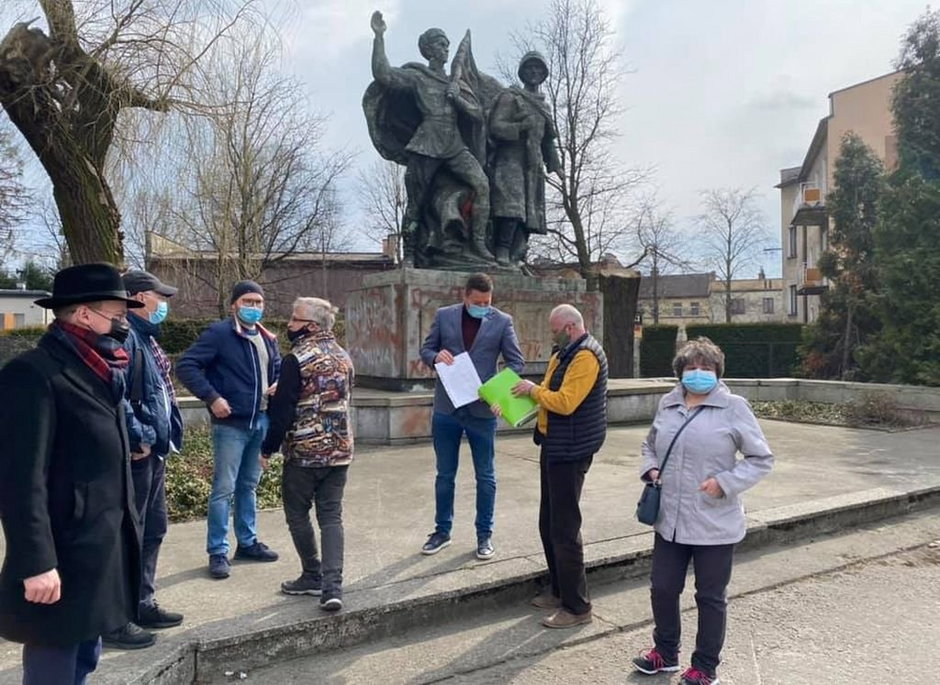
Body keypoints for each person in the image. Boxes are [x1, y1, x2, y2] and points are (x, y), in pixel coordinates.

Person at [0, 263, 145, 683]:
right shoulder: (33, 374)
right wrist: (36, 562)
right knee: (54, 667)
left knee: (84, 659)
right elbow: (19, 479)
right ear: (84, 314)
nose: (123, 325)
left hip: (98, 550)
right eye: (117, 316)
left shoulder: (103, 367)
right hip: (61, 555)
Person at [631, 337, 774, 685]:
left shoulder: (734, 407)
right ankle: (664, 652)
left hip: (714, 520)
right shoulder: (668, 403)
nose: (698, 373)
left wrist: (724, 482)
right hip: (670, 520)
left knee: (709, 597)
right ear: (680, 372)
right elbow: (649, 444)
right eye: (691, 367)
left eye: (706, 368)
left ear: (717, 372)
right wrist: (650, 469)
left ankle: (704, 666)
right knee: (662, 588)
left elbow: (761, 459)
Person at [100, 270, 186, 649]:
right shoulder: (126, 336)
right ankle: (116, 616)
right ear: (136, 298)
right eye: (158, 296)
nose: (163, 303)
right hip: (140, 453)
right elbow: (118, 396)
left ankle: (141, 601)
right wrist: (142, 438)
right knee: (129, 537)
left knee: (152, 530)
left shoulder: (146, 338)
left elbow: (159, 392)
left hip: (156, 453)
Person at [368, 10, 494, 264]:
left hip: (454, 145)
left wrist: (457, 97)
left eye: (447, 44)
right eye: (440, 43)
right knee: (417, 202)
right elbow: (383, 75)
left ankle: (478, 244)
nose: (446, 48)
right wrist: (379, 37)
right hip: (426, 144)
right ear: (427, 49)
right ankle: (411, 254)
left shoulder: (455, 82)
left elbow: (477, 114)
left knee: (481, 185)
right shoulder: (418, 76)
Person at [510, 304, 608, 629]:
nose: (550, 335)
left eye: (553, 330)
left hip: (572, 450)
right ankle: (558, 588)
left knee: (565, 529)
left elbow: (564, 401)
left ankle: (577, 607)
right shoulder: (562, 354)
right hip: (554, 445)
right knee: (548, 522)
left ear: (569, 328)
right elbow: (545, 397)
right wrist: (514, 406)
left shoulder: (586, 357)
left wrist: (533, 390)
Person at [177, 280, 281, 579]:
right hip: (231, 424)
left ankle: (247, 543)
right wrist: (212, 397)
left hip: (260, 420)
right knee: (223, 489)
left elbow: (274, 371)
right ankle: (218, 551)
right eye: (248, 301)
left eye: (259, 302)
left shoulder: (267, 338)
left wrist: (276, 384)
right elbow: (187, 366)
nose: (254, 307)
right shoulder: (219, 334)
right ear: (234, 304)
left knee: (249, 486)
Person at [418, 272, 524, 559]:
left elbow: (516, 362)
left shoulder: (502, 321)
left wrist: (497, 392)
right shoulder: (444, 316)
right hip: (447, 407)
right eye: (477, 301)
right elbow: (426, 349)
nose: (483, 306)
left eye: (487, 302)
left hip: (482, 409)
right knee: (445, 474)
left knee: (486, 475)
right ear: (465, 296)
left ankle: (484, 535)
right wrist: (435, 357)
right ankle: (442, 532)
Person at [261, 297, 354, 613]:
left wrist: (267, 449)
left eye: (295, 318)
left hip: (305, 452)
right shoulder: (344, 357)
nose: (290, 324)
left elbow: (284, 411)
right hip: (340, 451)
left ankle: (312, 573)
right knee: (331, 516)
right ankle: (333, 588)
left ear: (311, 326)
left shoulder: (296, 359)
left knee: (297, 514)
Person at [488, 51, 561, 266]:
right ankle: (501, 250)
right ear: (522, 72)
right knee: (511, 208)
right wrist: (520, 127)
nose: (534, 72)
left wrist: (555, 165)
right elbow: (495, 127)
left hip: (533, 165)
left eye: (539, 69)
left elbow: (547, 140)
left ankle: (516, 255)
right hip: (510, 160)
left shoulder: (544, 107)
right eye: (530, 68)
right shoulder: (511, 97)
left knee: (530, 215)